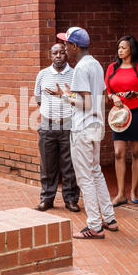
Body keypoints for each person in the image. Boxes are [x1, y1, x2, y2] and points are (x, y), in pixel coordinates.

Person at [47, 27, 118, 239]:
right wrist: (70, 94)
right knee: (95, 171)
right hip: (96, 126)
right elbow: (98, 98)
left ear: (75, 46)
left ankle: (95, 226)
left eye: (67, 44)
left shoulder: (80, 69)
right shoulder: (96, 64)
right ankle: (109, 218)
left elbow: (85, 103)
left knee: (85, 177)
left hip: (83, 127)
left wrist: (65, 96)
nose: (66, 48)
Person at [105, 35, 138, 206]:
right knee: (119, 153)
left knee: (135, 153)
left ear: (131, 50)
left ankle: (134, 191)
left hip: (137, 113)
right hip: (119, 115)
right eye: (119, 47)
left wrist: (136, 94)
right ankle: (120, 194)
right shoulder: (112, 68)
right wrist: (113, 97)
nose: (120, 51)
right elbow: (107, 90)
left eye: (124, 48)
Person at [34, 43, 80, 212]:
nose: (59, 56)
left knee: (70, 165)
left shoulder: (75, 74)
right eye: (55, 53)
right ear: (50, 55)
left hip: (68, 124)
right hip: (47, 125)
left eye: (62, 52)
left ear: (66, 55)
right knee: (47, 165)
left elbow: (78, 97)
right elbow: (38, 98)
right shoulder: (43, 74)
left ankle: (71, 199)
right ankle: (46, 199)